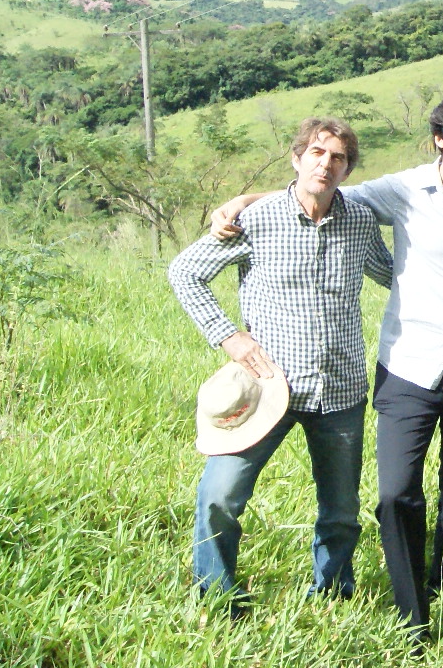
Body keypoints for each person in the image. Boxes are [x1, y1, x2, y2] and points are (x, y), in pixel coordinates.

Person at [210, 92, 443, 635]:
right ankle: (410, 610)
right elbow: (324, 188)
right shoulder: (403, 189)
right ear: (439, 139)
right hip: (408, 367)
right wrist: (245, 200)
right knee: (396, 493)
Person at [169, 118, 393, 611]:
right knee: (220, 495)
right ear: (296, 158)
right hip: (267, 386)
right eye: (317, 152)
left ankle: (332, 596)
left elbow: (396, 276)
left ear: (348, 169)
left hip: (340, 389)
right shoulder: (258, 219)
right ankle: (217, 598)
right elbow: (185, 271)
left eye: (337, 158)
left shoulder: (359, 221)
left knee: (341, 511)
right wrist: (229, 337)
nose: (326, 164)